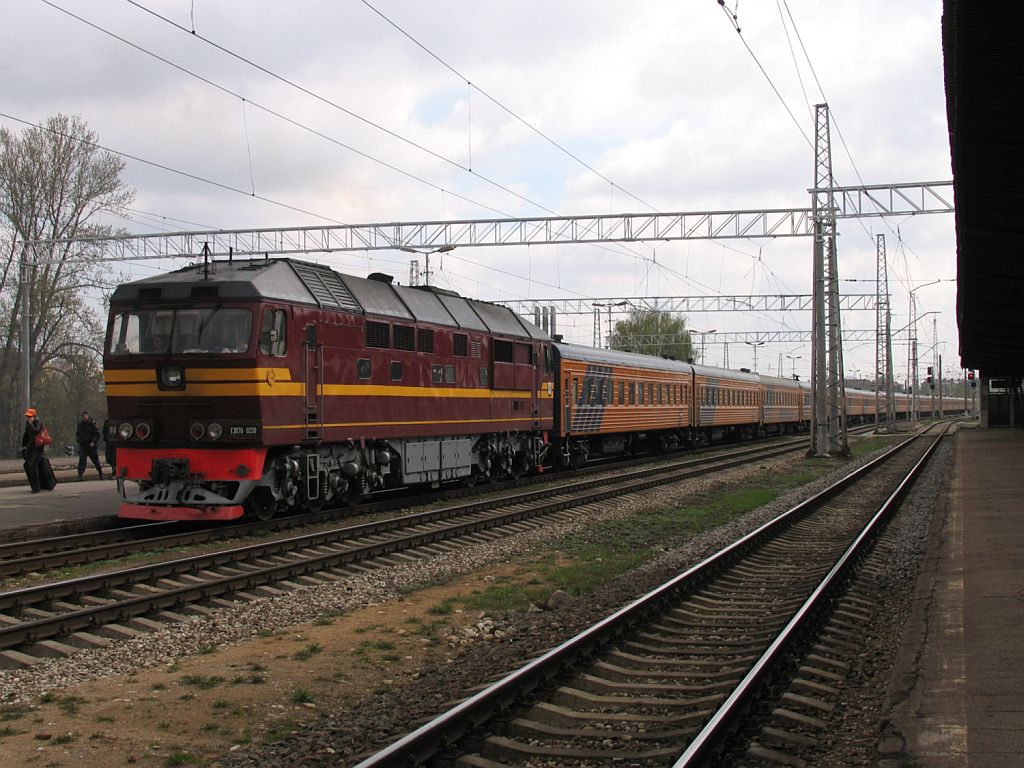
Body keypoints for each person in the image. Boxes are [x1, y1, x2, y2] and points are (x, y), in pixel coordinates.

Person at [21, 408, 44, 493]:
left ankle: (36, 488)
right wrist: (24, 446)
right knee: (29, 466)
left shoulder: (38, 423)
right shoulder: (28, 424)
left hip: (38, 448)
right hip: (30, 447)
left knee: (32, 466)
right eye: (27, 416)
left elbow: (36, 431)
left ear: (34, 416)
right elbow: (27, 435)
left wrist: (31, 424)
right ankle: (34, 485)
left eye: (30, 416)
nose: (28, 418)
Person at [76, 410, 104, 481]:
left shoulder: (92, 423)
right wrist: (79, 440)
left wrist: (93, 442)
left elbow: (97, 434)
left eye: (84, 416)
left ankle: (100, 473)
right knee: (82, 460)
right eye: (82, 416)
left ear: (87, 415)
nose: (83, 417)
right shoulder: (80, 424)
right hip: (83, 446)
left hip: (91, 446)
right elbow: (77, 434)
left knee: (95, 461)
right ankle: (80, 475)